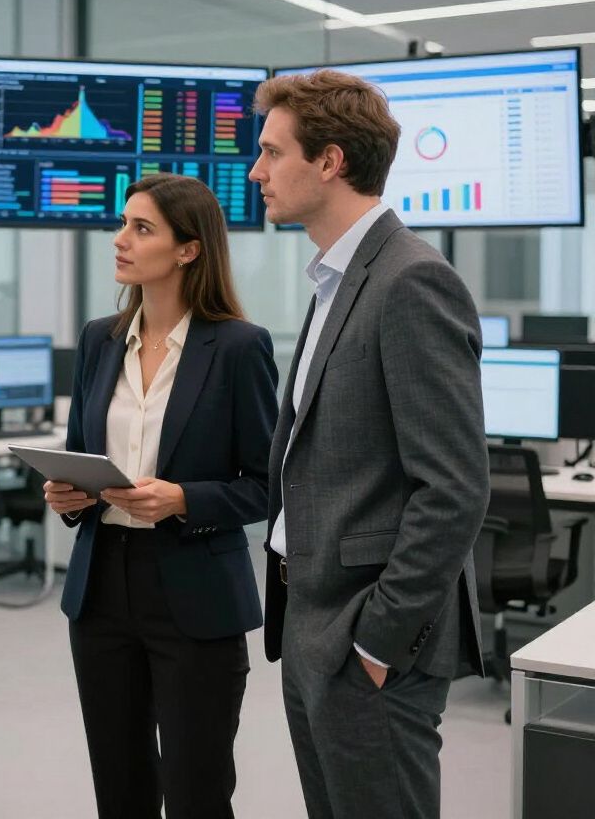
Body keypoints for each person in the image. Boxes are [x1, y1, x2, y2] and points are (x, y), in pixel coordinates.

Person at [249, 70, 489, 819]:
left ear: (329, 161)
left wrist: (380, 641)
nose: (257, 171)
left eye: (271, 152)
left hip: (366, 636)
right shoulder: (335, 279)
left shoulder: (411, 281)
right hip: (310, 622)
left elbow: (453, 488)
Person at [44, 172, 279, 819]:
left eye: (141, 228)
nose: (120, 239)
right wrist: (67, 494)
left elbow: (267, 486)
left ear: (188, 249)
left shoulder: (238, 348)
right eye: (122, 223)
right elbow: (78, 456)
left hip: (195, 590)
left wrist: (184, 500)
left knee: (198, 790)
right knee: (119, 787)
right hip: (101, 590)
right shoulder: (99, 339)